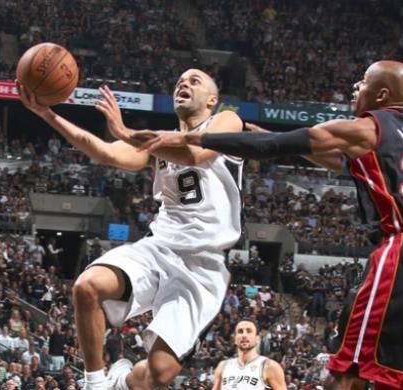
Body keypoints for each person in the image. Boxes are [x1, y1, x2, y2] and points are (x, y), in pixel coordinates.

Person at [138, 61, 403, 390]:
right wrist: (274, 140)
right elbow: (340, 161)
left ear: (381, 94)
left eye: (363, 82)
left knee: (348, 372)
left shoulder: (367, 127)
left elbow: (276, 147)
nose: (355, 87)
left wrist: (201, 137)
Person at [16, 68, 245, 390]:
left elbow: (196, 153)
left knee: (160, 374)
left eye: (194, 81)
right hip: (159, 247)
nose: (184, 83)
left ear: (212, 100)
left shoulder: (227, 122)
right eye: (180, 80)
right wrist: (48, 114)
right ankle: (95, 382)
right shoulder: (157, 144)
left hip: (202, 266)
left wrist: (125, 132)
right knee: (87, 286)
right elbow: (102, 151)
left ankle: (120, 381)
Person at [212, 320, 285, 390]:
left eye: (249, 331)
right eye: (240, 331)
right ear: (235, 339)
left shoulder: (269, 366)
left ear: (257, 338)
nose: (244, 335)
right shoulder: (223, 366)